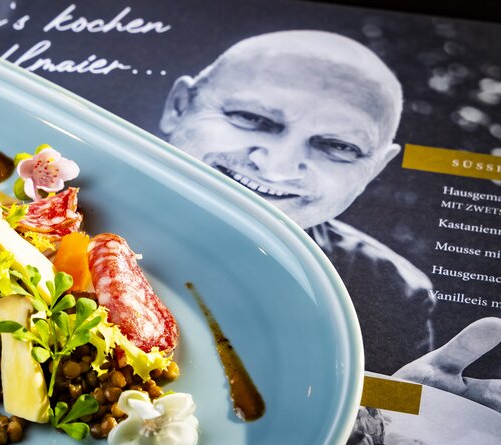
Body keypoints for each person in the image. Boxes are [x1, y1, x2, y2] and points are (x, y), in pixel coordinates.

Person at [160, 30, 501, 412]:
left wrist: (396, 413)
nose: (278, 166)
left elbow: (368, 422)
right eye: (252, 117)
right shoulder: (94, 175)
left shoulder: (389, 291)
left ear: (374, 169)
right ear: (179, 106)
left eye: (339, 146)